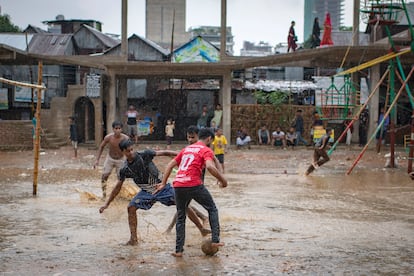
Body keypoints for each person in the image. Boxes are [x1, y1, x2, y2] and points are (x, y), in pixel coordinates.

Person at [99, 139, 211, 246]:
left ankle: (202, 229)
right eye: (128, 151)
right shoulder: (125, 169)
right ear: (122, 152)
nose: (131, 152)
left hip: (162, 187)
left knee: (182, 204)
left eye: (132, 149)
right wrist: (106, 204)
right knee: (131, 208)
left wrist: (185, 155)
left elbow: (165, 152)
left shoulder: (144, 154)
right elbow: (117, 187)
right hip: (147, 192)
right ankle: (133, 239)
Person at [157, 128, 228, 257]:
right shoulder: (206, 149)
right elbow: (211, 167)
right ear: (209, 139)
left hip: (178, 185)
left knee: (181, 216)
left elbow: (170, 165)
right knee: (212, 209)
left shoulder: (186, 149)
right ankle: (215, 240)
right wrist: (223, 180)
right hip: (194, 184)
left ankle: (178, 250)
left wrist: (163, 183)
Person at [94, 121, 129, 198]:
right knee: (104, 176)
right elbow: (101, 147)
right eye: (116, 128)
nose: (118, 130)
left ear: (121, 129)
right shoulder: (108, 137)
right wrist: (97, 160)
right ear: (113, 129)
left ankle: (118, 195)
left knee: (120, 179)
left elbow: (129, 150)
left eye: (119, 128)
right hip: (110, 158)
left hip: (121, 159)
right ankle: (104, 194)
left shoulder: (125, 138)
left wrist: (130, 161)